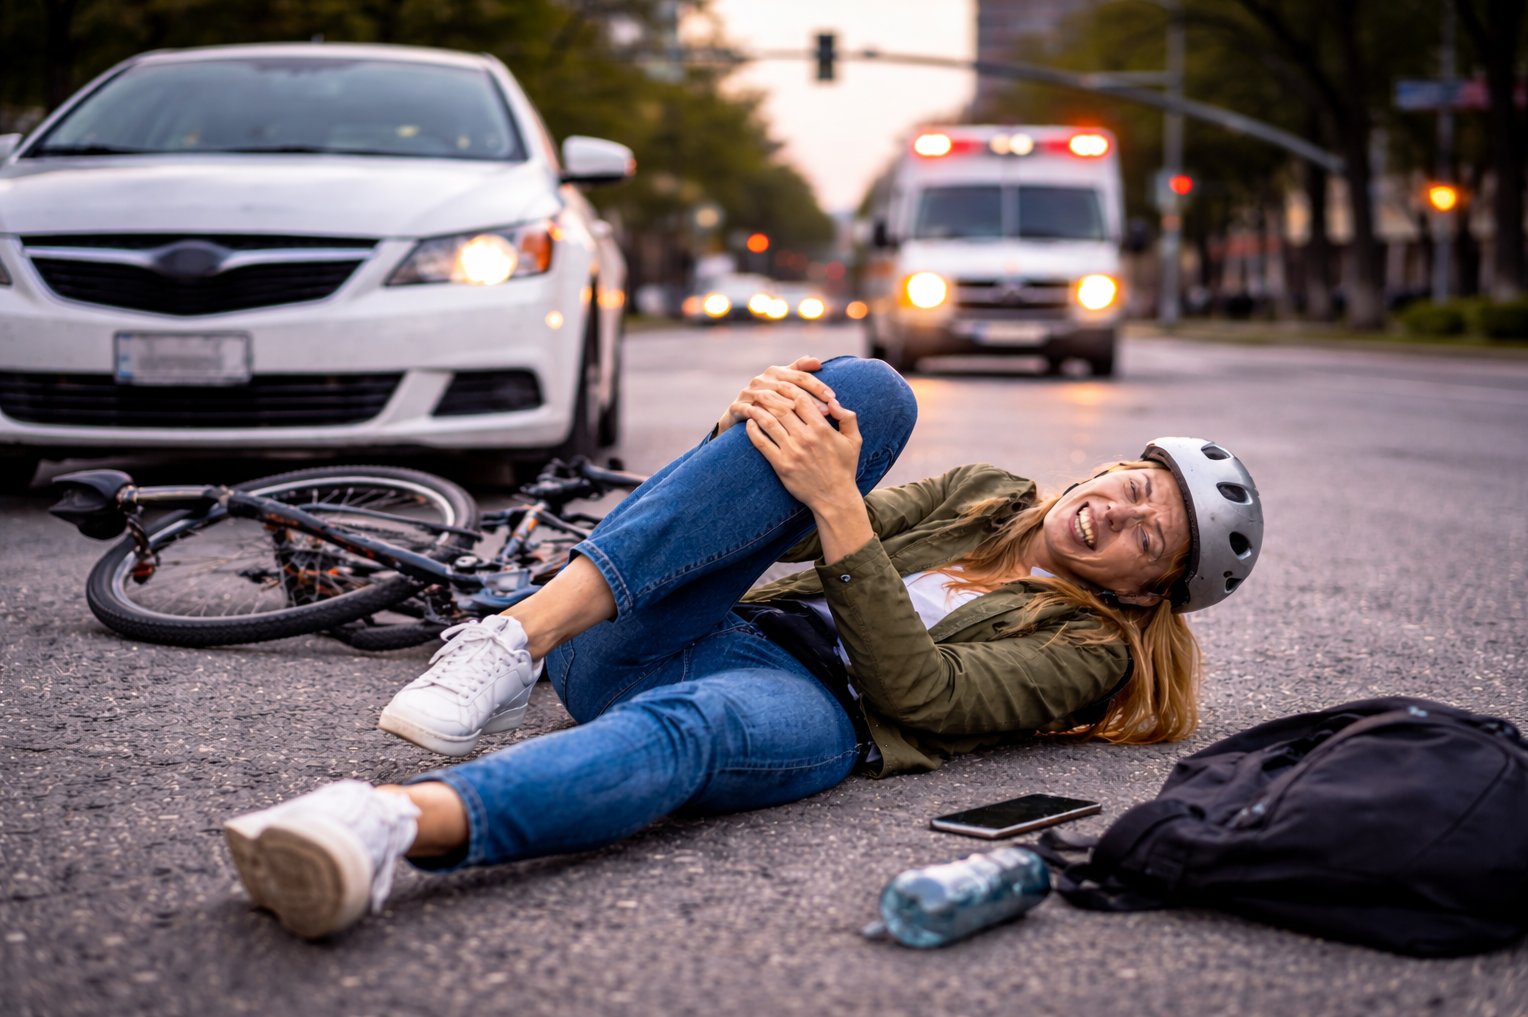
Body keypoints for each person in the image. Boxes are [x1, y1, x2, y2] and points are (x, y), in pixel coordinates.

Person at [222, 355, 1264, 939]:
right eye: (1131, 487)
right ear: (1104, 468)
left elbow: (926, 693)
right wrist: (749, 440)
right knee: (869, 392)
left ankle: (384, 826)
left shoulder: (1094, 647)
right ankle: (507, 641)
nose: (1116, 517)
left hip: (819, 713)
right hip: (692, 629)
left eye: (1148, 537)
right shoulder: (985, 490)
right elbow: (794, 526)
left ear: (1147, 588)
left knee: (695, 727)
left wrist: (830, 501)